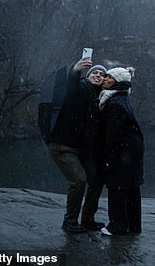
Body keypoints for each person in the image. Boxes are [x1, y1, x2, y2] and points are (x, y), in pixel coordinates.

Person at [48, 58, 107, 233]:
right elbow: (72, 84)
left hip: (82, 149)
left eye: (102, 74)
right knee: (79, 180)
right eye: (94, 72)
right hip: (63, 146)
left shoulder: (100, 96)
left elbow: (117, 89)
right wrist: (75, 70)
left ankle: (88, 220)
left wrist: (125, 77)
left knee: (96, 180)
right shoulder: (81, 88)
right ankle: (70, 222)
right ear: (88, 76)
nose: (98, 75)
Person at [98, 67, 144, 236]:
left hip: (123, 154)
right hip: (132, 153)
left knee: (117, 189)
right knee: (132, 190)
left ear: (116, 82)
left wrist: (109, 159)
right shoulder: (122, 99)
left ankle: (117, 226)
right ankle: (134, 226)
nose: (104, 79)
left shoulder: (114, 103)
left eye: (109, 77)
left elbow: (113, 135)